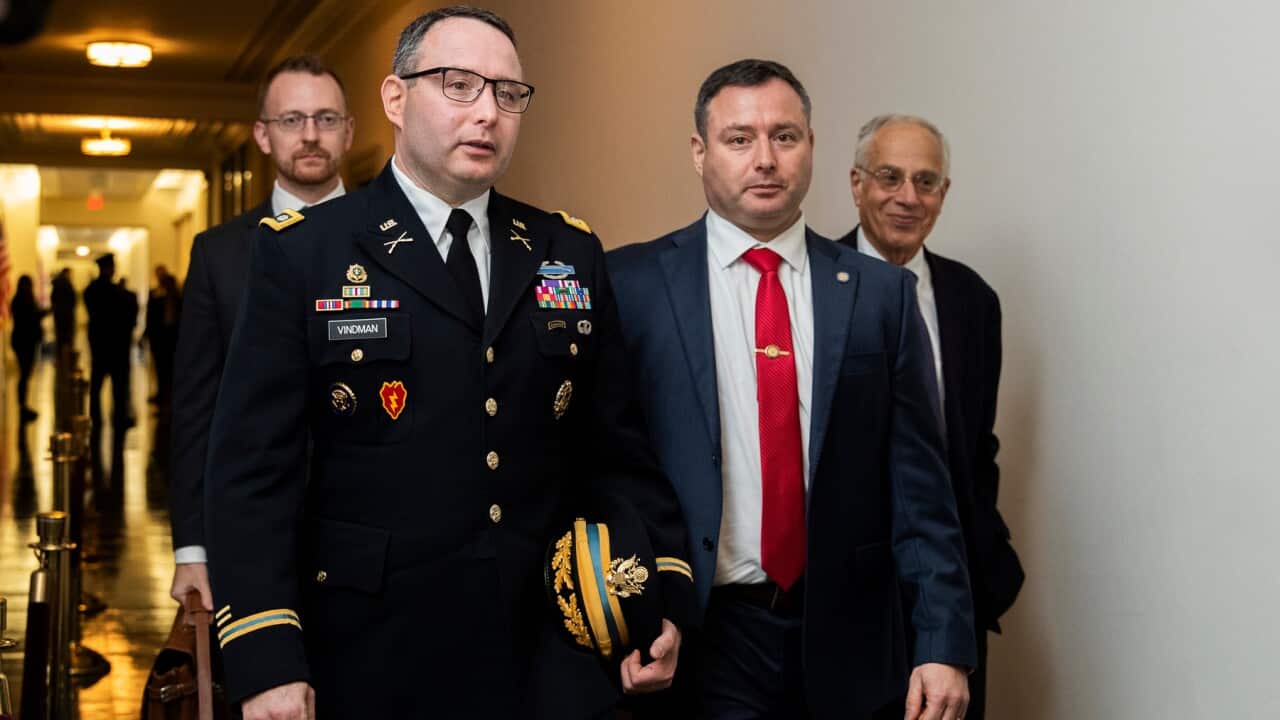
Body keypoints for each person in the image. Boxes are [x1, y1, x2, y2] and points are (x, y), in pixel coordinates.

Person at [203, 8, 693, 719]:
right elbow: (252, 474)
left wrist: (662, 597)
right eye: (458, 85)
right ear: (395, 99)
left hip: (545, 658)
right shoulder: (304, 251)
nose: (487, 112)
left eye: (508, 93)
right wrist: (266, 658)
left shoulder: (566, 251)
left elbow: (616, 453)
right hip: (371, 653)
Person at [607, 60, 976, 719]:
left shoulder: (880, 296)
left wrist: (943, 642)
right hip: (705, 636)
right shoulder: (631, 286)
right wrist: (635, 610)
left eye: (784, 136)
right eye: (739, 138)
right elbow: (609, 469)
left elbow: (922, 491)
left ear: (811, 145)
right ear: (699, 151)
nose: (765, 160)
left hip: (850, 636)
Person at [838, 114, 1025, 720]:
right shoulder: (813, 283)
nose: (908, 197)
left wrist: (983, 554)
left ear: (944, 193)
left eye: (926, 181)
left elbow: (976, 446)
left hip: (953, 589)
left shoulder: (974, 300)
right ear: (857, 183)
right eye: (889, 177)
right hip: (844, 595)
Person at [168, 54, 354, 613]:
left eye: (326, 119)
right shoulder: (219, 254)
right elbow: (195, 411)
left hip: (373, 538)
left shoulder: (397, 242)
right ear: (263, 135)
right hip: (254, 534)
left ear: (349, 132)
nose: (311, 135)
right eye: (292, 120)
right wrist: (191, 547)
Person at [83, 253, 138, 473]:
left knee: (97, 386)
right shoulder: (120, 294)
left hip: (100, 347)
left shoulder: (91, 291)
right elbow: (130, 317)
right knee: (118, 386)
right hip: (117, 348)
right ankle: (118, 417)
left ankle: (96, 419)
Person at [9, 274, 47, 422]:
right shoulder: (24, 300)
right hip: (26, 341)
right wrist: (42, 313)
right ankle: (22, 406)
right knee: (25, 374)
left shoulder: (18, 300)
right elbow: (31, 318)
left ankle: (23, 405)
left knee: (25, 374)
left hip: (21, 340)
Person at [144, 265, 181, 407]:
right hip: (159, 338)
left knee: (170, 367)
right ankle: (161, 393)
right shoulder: (155, 295)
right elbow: (150, 317)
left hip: (172, 338)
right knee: (159, 367)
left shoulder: (176, 296)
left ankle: (169, 394)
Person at [50, 267, 76, 354]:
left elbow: (53, 298)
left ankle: (60, 354)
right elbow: (72, 298)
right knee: (68, 336)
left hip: (58, 314)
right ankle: (68, 355)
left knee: (60, 335)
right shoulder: (67, 284)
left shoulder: (56, 284)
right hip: (67, 314)